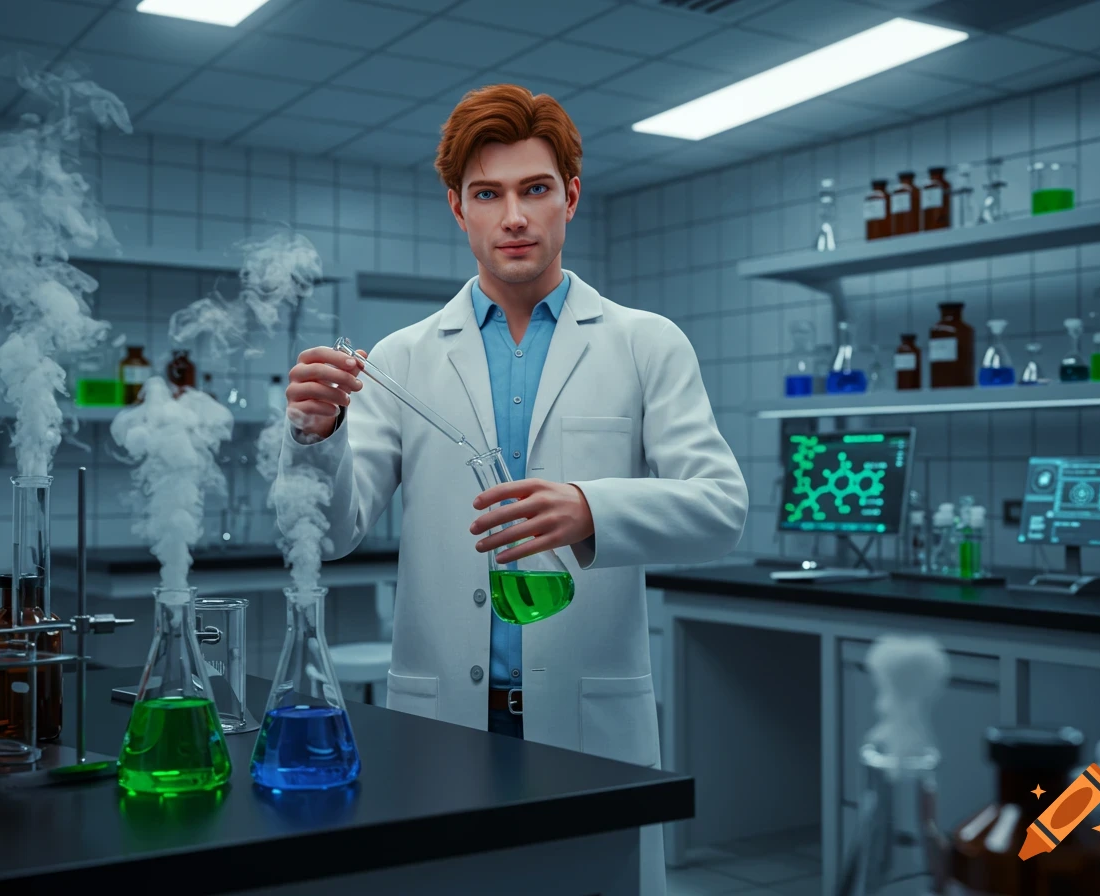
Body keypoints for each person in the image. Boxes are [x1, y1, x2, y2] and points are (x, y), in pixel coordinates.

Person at [279, 84, 748, 894]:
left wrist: (591, 508)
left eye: (535, 189)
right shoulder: (404, 357)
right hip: (443, 722)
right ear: (458, 210)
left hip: (590, 723)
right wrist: (317, 436)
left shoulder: (646, 343)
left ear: (572, 196)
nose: (515, 217)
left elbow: (721, 507)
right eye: (488, 195)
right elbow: (332, 532)